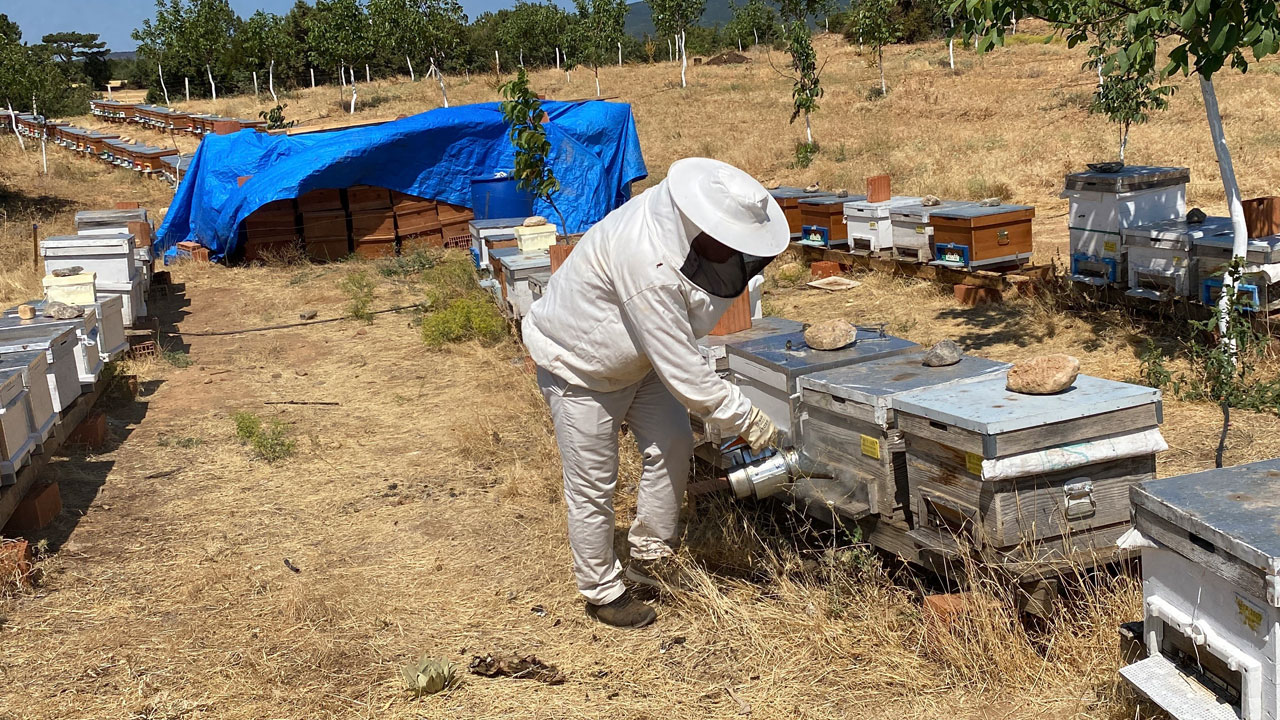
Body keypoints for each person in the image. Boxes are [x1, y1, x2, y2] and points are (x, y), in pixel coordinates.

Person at [522, 157, 789, 629]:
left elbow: (680, 337)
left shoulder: (680, 228)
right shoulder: (649, 262)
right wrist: (750, 420)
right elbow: (687, 374)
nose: (734, 254)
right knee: (593, 484)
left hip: (636, 359)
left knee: (672, 442)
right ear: (705, 227)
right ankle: (602, 590)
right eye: (730, 244)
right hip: (579, 366)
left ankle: (650, 554)